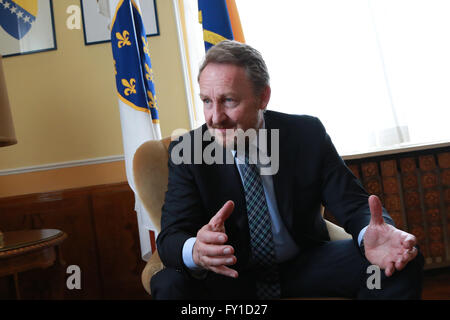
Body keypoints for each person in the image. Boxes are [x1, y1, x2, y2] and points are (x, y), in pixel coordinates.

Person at [151, 40, 424, 300]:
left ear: (263, 97)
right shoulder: (189, 151)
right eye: (207, 101)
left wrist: (370, 234)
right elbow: (172, 236)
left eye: (229, 101)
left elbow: (352, 203)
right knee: (169, 284)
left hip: (304, 266)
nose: (215, 117)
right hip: (229, 276)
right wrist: (197, 251)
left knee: (396, 263)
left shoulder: (306, 135)